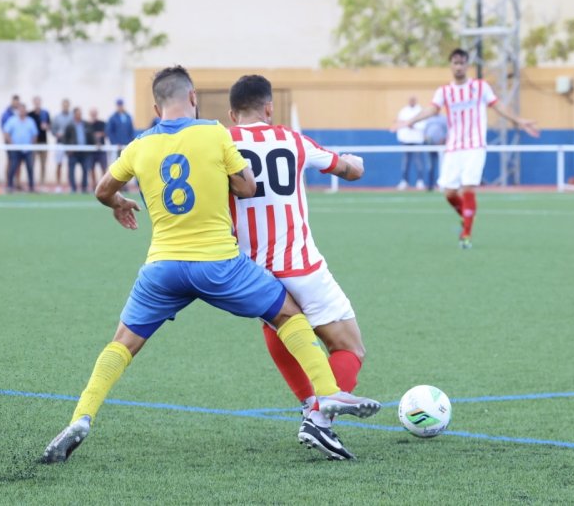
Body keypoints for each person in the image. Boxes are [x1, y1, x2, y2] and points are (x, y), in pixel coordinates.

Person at [41, 66, 380, 464]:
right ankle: (326, 395)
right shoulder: (213, 133)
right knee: (288, 315)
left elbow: (102, 189)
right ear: (194, 97)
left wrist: (119, 204)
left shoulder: (139, 145)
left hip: (162, 267)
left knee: (122, 344)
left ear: (155, 106)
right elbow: (247, 186)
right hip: (220, 262)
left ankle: (81, 416)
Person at [228, 75, 372, 434]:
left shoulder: (221, 142)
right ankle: (319, 417)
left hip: (251, 269)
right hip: (300, 264)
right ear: (269, 107)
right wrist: (354, 161)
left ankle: (309, 402)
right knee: (350, 347)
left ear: (232, 114)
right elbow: (349, 170)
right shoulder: (291, 140)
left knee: (276, 324)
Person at [394, 48, 539, 249]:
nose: (459, 66)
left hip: (475, 145)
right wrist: (409, 121)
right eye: (455, 62)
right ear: (451, 65)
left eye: (462, 63)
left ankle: (466, 234)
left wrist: (519, 120)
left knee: (468, 186)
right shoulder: (444, 91)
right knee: (449, 192)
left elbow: (498, 106)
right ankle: (466, 216)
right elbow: (431, 109)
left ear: (467, 66)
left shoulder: (480, 87)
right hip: (453, 147)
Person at [392, 95, 428, 190]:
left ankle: (420, 181)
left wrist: (414, 126)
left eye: (413, 100)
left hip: (417, 140)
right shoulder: (403, 111)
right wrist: (401, 136)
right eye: (410, 100)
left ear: (415, 101)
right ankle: (404, 181)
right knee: (405, 161)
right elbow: (399, 124)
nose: (411, 101)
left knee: (418, 161)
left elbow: (424, 124)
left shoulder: (420, 110)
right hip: (406, 140)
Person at [3, 103, 38, 192]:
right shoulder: (12, 120)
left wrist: (31, 144)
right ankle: (10, 186)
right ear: (18, 111)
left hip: (28, 150)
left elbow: (35, 134)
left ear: (26, 111)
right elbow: (6, 132)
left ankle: (31, 187)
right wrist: (11, 143)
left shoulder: (30, 121)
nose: (22, 111)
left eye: (23, 110)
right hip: (16, 149)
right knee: (13, 167)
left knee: (30, 168)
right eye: (20, 110)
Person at [63, 107, 92, 193]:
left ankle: (84, 187)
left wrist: (95, 143)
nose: (80, 115)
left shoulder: (86, 124)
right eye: (78, 113)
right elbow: (65, 139)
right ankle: (73, 188)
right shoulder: (69, 125)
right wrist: (68, 150)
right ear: (74, 114)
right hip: (73, 152)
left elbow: (91, 136)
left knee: (85, 170)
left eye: (80, 113)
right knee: (71, 170)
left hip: (84, 152)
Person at [29, 96, 51, 189]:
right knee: (32, 164)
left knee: (43, 164)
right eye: (36, 102)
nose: (37, 103)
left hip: (43, 142)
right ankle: (32, 184)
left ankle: (42, 183)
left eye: (39, 102)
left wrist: (46, 127)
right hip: (34, 143)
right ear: (33, 102)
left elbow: (50, 126)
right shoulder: (30, 114)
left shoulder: (45, 113)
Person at [51, 99, 73, 192]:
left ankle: (69, 184)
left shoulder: (72, 117)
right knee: (59, 164)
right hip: (60, 143)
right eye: (64, 105)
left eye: (67, 105)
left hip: (69, 144)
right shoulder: (57, 117)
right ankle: (58, 185)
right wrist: (57, 134)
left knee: (70, 164)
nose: (65, 106)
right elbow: (53, 130)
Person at [422, 114, 448, 191]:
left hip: (441, 145)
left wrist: (443, 140)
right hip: (430, 145)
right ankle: (430, 185)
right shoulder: (429, 119)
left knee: (443, 165)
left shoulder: (444, 119)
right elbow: (425, 132)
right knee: (430, 165)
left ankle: (443, 184)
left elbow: (448, 130)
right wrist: (427, 138)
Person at [0, 94, 21, 189]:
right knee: (10, 161)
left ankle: (17, 182)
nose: (16, 103)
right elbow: (4, 129)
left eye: (17, 102)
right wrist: (9, 140)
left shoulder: (20, 112)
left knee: (18, 162)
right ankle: (8, 181)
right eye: (14, 101)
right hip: (10, 142)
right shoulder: (6, 114)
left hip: (19, 143)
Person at [87, 107, 108, 188]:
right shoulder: (87, 124)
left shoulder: (102, 123)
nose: (93, 115)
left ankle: (104, 185)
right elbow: (88, 135)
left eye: (94, 113)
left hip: (101, 149)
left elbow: (105, 133)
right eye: (92, 113)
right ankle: (94, 185)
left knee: (103, 168)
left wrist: (100, 135)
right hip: (91, 150)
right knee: (92, 168)